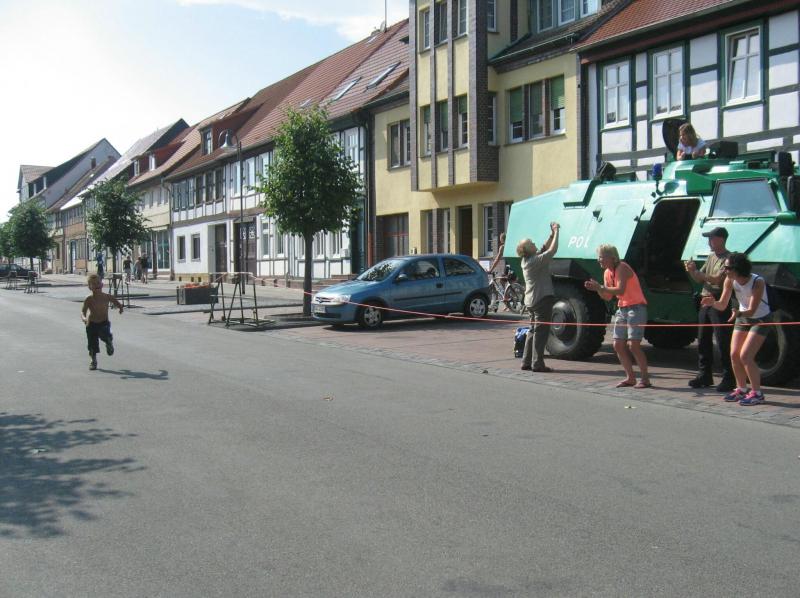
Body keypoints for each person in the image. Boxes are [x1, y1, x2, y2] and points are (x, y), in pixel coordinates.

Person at [701, 252, 773, 405]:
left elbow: (752, 311)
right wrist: (712, 303)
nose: (724, 270)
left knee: (745, 356)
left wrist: (738, 313)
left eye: (727, 268)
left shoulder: (757, 282)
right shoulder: (729, 280)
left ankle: (757, 393)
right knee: (734, 354)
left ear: (737, 268)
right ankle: (741, 389)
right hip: (741, 317)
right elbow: (722, 305)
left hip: (760, 319)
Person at [585, 244, 651, 389]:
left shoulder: (622, 267)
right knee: (618, 345)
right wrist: (597, 289)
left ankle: (645, 379)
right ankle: (630, 378)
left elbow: (620, 290)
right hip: (622, 308)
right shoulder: (607, 272)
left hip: (636, 308)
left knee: (633, 345)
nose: (599, 260)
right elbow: (608, 296)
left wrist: (600, 287)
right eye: (598, 257)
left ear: (612, 257)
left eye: (601, 257)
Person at [685, 227, 734, 391]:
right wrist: (692, 271)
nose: (709, 242)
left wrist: (698, 273)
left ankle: (729, 377)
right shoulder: (711, 256)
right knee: (703, 338)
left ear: (721, 239)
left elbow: (717, 280)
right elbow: (700, 279)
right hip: (705, 300)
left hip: (718, 300)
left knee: (722, 340)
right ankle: (704, 374)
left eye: (712, 238)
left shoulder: (728, 259)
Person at [516, 221, 560, 373]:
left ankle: (526, 361)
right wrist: (557, 231)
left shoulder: (526, 260)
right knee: (541, 333)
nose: (535, 244)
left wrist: (551, 235)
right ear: (528, 249)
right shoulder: (535, 261)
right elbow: (552, 250)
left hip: (530, 300)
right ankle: (538, 363)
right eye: (532, 244)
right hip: (541, 299)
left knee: (532, 330)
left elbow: (544, 248)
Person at [81, 273, 123, 371]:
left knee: (105, 334)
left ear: (102, 284)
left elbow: (115, 301)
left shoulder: (107, 296)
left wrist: (120, 308)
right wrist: (84, 318)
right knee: (92, 344)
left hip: (104, 322)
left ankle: (108, 342)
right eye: (93, 284)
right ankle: (93, 360)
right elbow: (83, 311)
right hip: (91, 324)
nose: (96, 285)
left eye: (98, 283)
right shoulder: (89, 299)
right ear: (89, 287)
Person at [487, 232, 515, 310]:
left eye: (500, 239)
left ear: (502, 239)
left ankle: (509, 302)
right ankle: (508, 303)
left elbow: (497, 259)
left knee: (503, 281)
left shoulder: (502, 247)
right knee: (505, 282)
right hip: (512, 266)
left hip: (509, 267)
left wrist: (491, 269)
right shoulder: (511, 246)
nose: (500, 240)